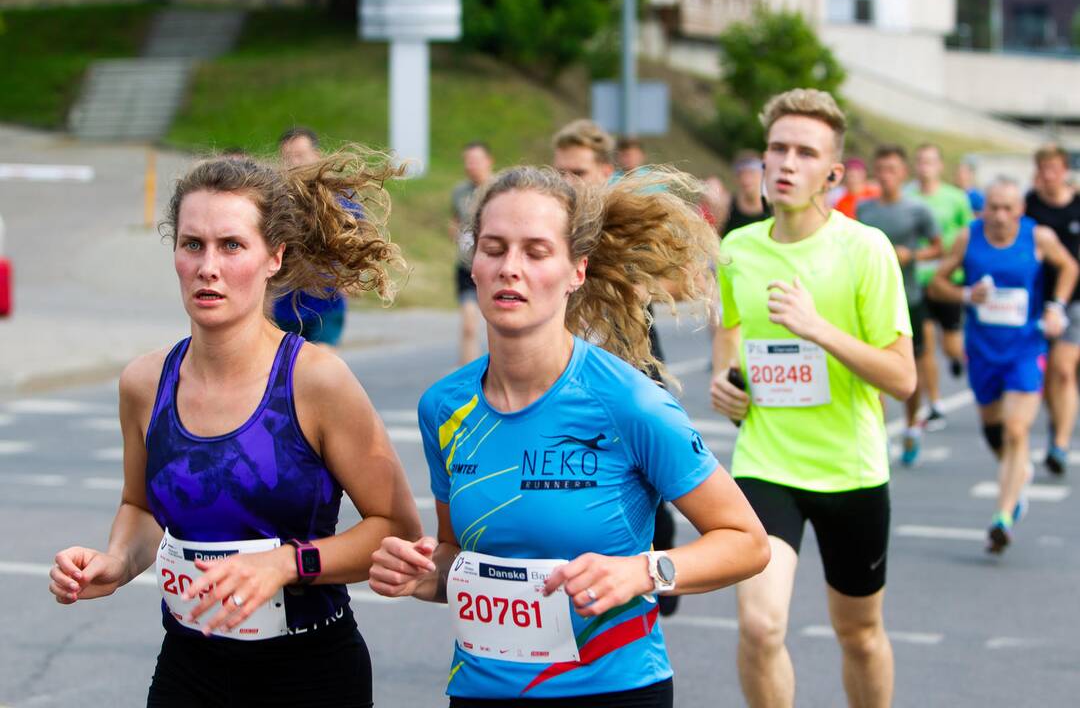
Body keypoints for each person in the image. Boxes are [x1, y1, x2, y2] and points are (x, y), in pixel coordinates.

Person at [369, 165, 770, 706]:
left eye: (536, 252)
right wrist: (419, 575)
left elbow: (747, 543)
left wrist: (642, 570)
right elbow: (458, 558)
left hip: (612, 691)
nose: (510, 268)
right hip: (480, 692)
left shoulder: (630, 403)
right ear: (475, 263)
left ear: (576, 271)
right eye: (494, 248)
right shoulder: (444, 406)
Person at [48, 152, 423, 706]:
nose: (208, 267)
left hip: (308, 670)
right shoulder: (145, 383)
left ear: (274, 256)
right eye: (192, 244)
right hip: (189, 665)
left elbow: (397, 531)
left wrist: (286, 563)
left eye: (231, 246)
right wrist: (116, 561)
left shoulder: (316, 380)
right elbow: (142, 507)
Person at [711, 88, 916, 708]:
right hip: (766, 463)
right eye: (778, 149)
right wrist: (724, 379)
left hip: (849, 470)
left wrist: (817, 328)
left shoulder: (866, 250)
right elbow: (731, 325)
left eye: (805, 152)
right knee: (759, 624)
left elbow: (902, 378)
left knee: (858, 633)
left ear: (832, 172)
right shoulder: (739, 249)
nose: (786, 163)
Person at [554, 119, 679, 615]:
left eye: (578, 171)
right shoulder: (551, 224)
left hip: (631, 360)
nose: (567, 181)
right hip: (569, 370)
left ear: (605, 171)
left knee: (649, 478)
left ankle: (656, 557)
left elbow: (675, 276)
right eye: (559, 170)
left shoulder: (625, 222)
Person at [929, 177, 1077, 552]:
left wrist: (1056, 307)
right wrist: (966, 293)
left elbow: (1069, 268)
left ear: (1020, 210)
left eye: (1007, 208)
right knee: (995, 431)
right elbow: (937, 284)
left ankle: (1004, 516)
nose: (999, 216)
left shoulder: (1038, 237)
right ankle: (1018, 472)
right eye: (992, 207)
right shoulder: (968, 237)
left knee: (1016, 430)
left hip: (1026, 347)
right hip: (982, 350)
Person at [858, 145, 942, 466]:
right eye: (881, 169)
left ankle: (911, 425)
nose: (887, 176)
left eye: (893, 169)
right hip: (872, 299)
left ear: (903, 173)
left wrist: (912, 255)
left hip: (909, 297)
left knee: (913, 367)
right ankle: (878, 433)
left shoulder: (918, 210)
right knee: (873, 368)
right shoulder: (865, 210)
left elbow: (938, 248)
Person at [909, 143, 976, 429]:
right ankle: (934, 402)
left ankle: (959, 358)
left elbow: (969, 232)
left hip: (947, 279)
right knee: (923, 344)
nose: (925, 166)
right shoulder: (906, 196)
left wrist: (959, 264)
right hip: (916, 280)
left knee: (950, 345)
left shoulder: (955, 198)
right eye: (921, 161)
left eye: (930, 162)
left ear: (939, 166)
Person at [1024, 144, 1080, 476]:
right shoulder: (1029, 206)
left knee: (1063, 368)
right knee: (1046, 376)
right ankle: (1056, 422)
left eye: (1054, 168)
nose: (1049, 174)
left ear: (1064, 170)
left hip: (1074, 300)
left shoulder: (1076, 205)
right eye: (1043, 168)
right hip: (1036, 300)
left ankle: (1060, 443)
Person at [271, 127, 351, 347]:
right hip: (284, 305)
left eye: (300, 156)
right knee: (287, 370)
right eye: (288, 158)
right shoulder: (274, 200)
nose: (294, 163)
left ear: (317, 156)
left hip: (327, 301)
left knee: (323, 362)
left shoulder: (338, 198)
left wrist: (353, 276)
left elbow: (355, 238)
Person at [451, 141, 495, 365]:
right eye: (467, 161)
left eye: (476, 160)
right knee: (469, 325)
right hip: (467, 267)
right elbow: (455, 221)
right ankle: (467, 379)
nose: (471, 165)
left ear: (489, 162)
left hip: (495, 269)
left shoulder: (500, 189)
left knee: (497, 329)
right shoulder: (460, 192)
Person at [722, 150, 771, 236]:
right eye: (741, 174)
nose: (746, 180)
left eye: (751, 173)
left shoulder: (774, 212)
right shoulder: (726, 206)